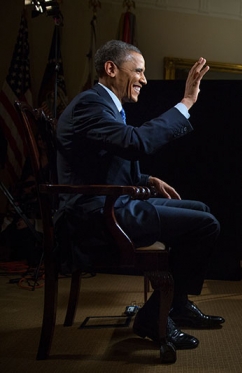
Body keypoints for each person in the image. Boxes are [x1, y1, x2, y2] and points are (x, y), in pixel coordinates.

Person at [55, 39, 224, 350]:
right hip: (96, 213)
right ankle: (157, 314)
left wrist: (147, 178)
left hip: (112, 201)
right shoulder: (91, 104)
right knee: (206, 225)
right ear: (110, 68)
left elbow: (102, 160)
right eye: (139, 71)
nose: (145, 80)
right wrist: (186, 102)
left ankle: (177, 305)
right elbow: (135, 142)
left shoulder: (101, 104)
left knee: (201, 209)